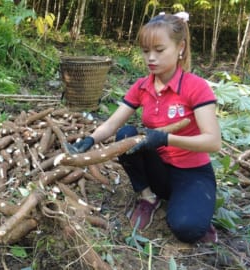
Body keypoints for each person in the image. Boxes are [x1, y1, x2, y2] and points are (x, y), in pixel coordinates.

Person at [67, 12, 221, 244]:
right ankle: (148, 197)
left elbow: (213, 142)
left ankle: (193, 206)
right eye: (145, 51)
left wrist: (167, 139)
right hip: (158, 169)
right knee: (126, 135)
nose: (151, 58)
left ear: (180, 47)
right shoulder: (141, 86)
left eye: (159, 50)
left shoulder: (195, 87)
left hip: (192, 173)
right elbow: (112, 123)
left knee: (187, 228)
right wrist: (89, 140)